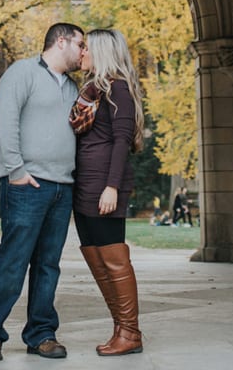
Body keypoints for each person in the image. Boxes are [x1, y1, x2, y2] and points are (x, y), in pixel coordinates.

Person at [0, 23, 87, 362]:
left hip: (61, 187)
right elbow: (5, 122)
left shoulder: (72, 87)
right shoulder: (21, 72)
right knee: (12, 260)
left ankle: (41, 334)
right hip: (26, 185)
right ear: (61, 40)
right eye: (80, 44)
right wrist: (16, 171)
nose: (84, 51)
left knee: (48, 265)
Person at [71, 28, 145, 356]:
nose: (81, 52)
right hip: (85, 185)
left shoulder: (118, 90)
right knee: (96, 258)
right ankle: (119, 327)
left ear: (101, 52)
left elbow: (121, 141)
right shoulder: (93, 91)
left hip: (105, 186)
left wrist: (112, 186)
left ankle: (130, 332)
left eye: (86, 47)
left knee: (114, 261)